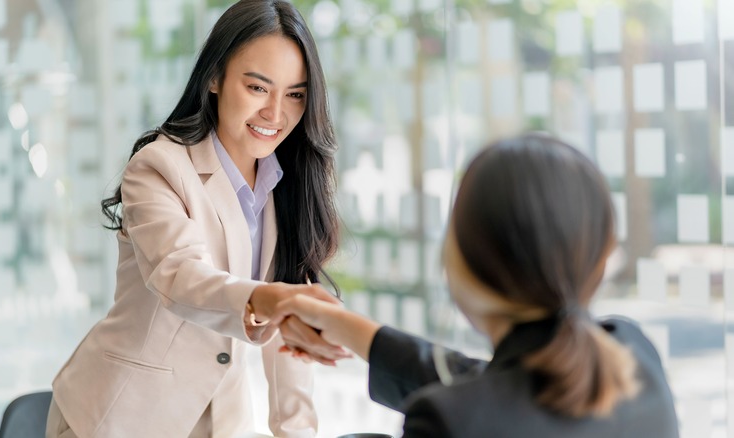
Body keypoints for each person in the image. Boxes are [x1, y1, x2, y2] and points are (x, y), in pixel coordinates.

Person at [46, 1, 347, 436]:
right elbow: (180, 276)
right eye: (258, 88)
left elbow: (288, 338)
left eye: (295, 95)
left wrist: (296, 431)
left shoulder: (289, 183)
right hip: (119, 417)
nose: (276, 114)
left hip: (219, 421)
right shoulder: (159, 167)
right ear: (214, 78)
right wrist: (269, 300)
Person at [271, 134, 680, 437]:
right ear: (601, 256)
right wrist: (350, 329)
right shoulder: (634, 355)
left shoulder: (449, 422)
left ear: (463, 260)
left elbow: (479, 402)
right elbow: (495, 389)